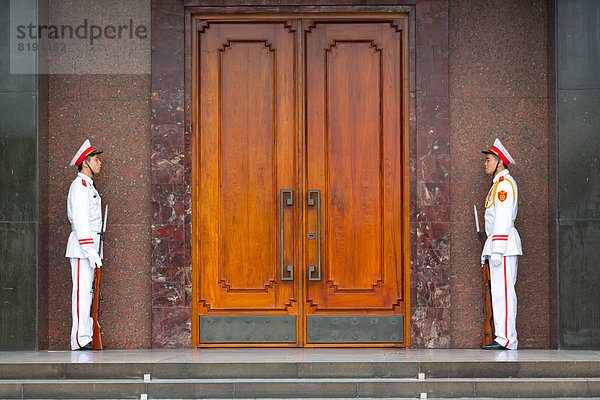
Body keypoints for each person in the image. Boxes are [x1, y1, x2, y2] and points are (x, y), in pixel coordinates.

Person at [480, 138, 522, 350]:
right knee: (499, 293)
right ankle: (503, 337)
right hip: (499, 245)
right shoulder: (497, 185)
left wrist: (496, 248)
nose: (485, 164)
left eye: (488, 159)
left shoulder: (504, 185)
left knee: (504, 293)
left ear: (500, 162)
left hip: (504, 246)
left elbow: (504, 218)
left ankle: (507, 339)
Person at [65, 139, 103, 350]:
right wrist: (89, 250)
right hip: (82, 249)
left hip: (90, 247)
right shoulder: (79, 187)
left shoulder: (88, 186)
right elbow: (80, 222)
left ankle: (86, 335)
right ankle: (80, 339)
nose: (99, 163)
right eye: (96, 160)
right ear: (85, 163)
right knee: (81, 294)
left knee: (89, 294)